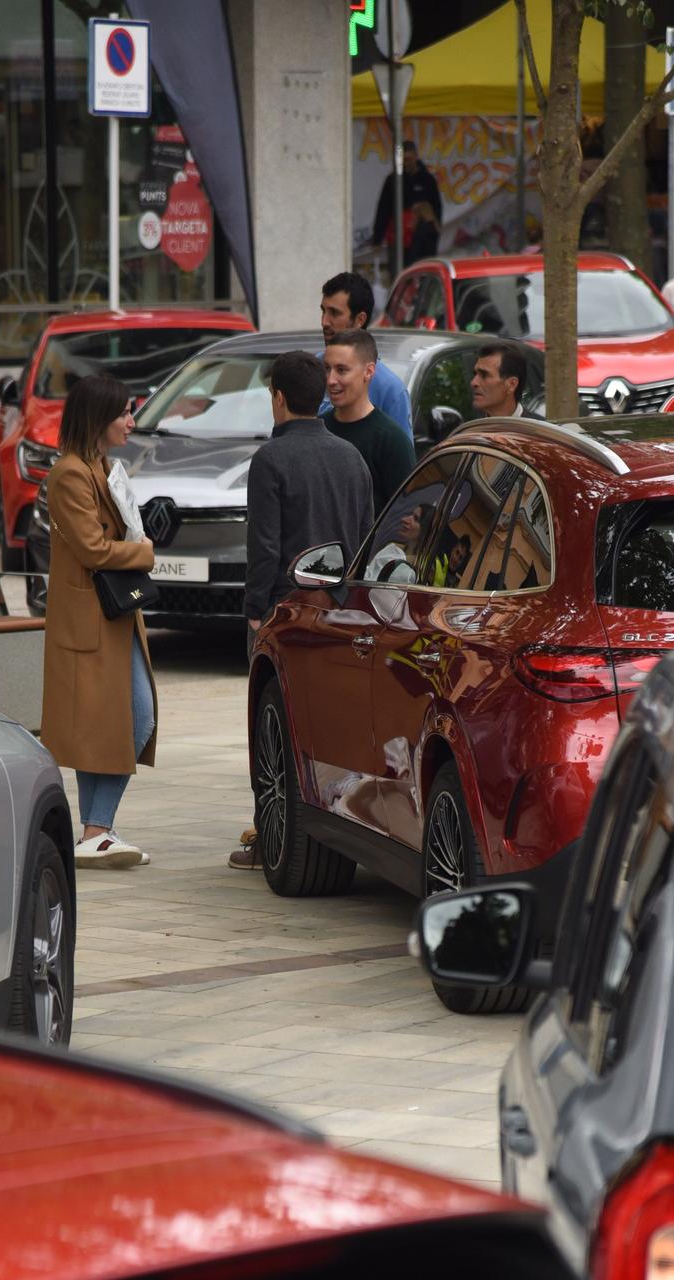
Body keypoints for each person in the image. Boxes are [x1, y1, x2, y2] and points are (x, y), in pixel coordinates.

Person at [230, 350, 375, 872]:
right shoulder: (351, 457)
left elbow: (264, 547)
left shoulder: (271, 459)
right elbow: (363, 539)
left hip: (285, 615)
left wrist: (254, 610)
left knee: (274, 726)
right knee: (333, 727)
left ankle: (273, 836)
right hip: (343, 614)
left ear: (278, 398)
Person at [40, 374, 158, 869]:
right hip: (91, 617)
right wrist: (145, 550)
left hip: (112, 614)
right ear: (98, 418)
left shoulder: (100, 465)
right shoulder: (70, 473)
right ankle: (96, 828)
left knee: (116, 723)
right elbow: (92, 548)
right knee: (125, 721)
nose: (132, 421)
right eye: (124, 412)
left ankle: (94, 830)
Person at [323, 330, 416, 512]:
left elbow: (405, 516)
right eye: (327, 369)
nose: (331, 380)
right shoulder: (317, 428)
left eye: (342, 370)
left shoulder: (391, 440)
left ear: (369, 372)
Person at [319, 270, 413, 440]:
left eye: (334, 313)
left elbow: (401, 458)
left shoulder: (390, 390)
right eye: (323, 311)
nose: (324, 322)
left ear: (360, 319)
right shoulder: (311, 370)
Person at [370, 139, 442, 251]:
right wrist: (377, 239)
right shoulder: (392, 180)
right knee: (400, 267)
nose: (405, 164)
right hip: (399, 238)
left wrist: (435, 233)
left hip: (423, 238)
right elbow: (383, 209)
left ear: (416, 157)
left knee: (422, 266)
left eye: (408, 159)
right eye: (402, 160)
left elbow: (437, 207)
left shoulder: (427, 179)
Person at [470, 342, 529, 420]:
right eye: (475, 374)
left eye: (484, 375)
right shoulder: (469, 429)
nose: (473, 382)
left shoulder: (541, 430)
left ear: (512, 384)